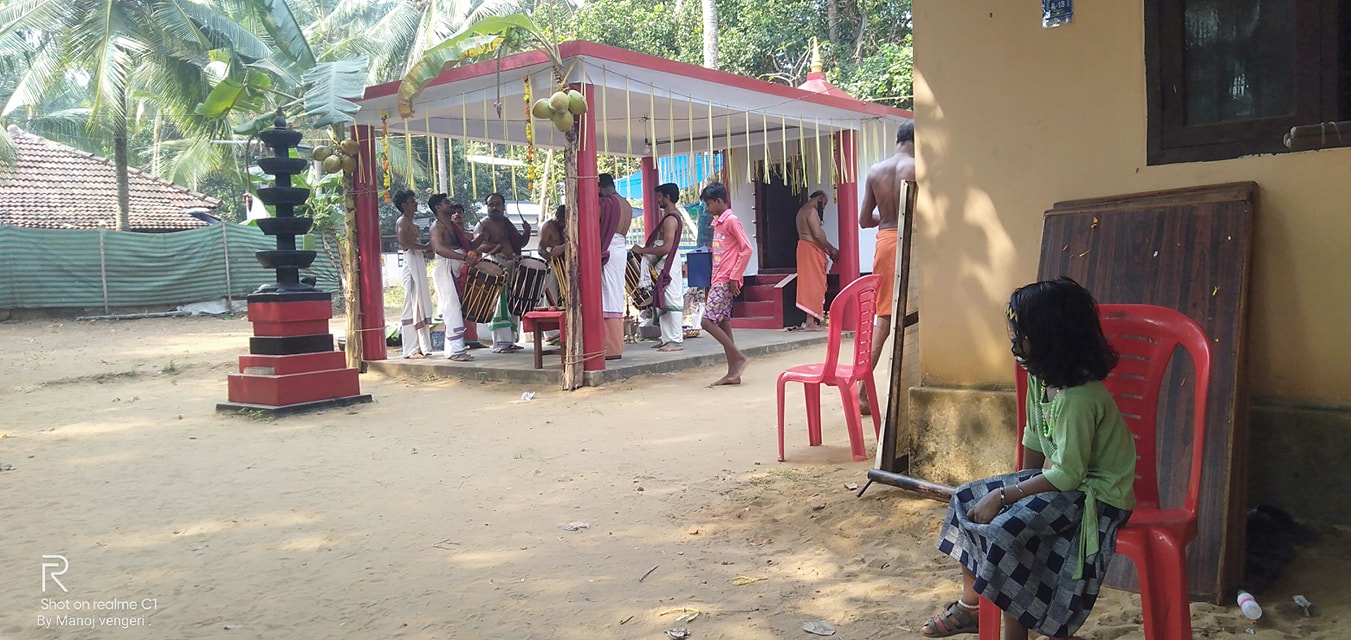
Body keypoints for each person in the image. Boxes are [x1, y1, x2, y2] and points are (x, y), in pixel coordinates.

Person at [918, 278, 1135, 640]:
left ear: (1051, 340)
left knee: (1005, 531)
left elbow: (1068, 475)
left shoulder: (1078, 399)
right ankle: (972, 607)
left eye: (1020, 334)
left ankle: (1016, 634)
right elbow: (1034, 438)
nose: (1014, 342)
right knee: (964, 500)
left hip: (1097, 497)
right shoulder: (1040, 377)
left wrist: (1007, 497)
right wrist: (1017, 490)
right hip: (1064, 483)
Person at [858, 118, 916, 413]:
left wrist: (888, 216)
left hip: (885, 241)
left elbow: (864, 220)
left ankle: (862, 390)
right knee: (918, 313)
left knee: (883, 319)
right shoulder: (919, 168)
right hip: (912, 242)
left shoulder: (875, 170)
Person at [700, 182, 752, 386]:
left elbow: (746, 249)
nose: (707, 208)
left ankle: (738, 357)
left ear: (719, 201)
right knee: (723, 322)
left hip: (724, 279)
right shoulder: (719, 223)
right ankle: (733, 373)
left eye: (708, 204)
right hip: (718, 278)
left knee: (706, 321)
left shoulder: (731, 221)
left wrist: (734, 276)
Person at [631, 183, 687, 352]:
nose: (657, 200)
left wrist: (643, 250)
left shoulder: (671, 220)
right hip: (663, 263)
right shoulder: (669, 217)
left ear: (667, 197)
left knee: (671, 300)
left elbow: (667, 248)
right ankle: (666, 338)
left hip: (668, 263)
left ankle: (676, 341)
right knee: (662, 300)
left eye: (659, 197)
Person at [473, 192, 531, 353]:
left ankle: (510, 340)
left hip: (512, 264)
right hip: (495, 264)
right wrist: (497, 246)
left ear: (503, 206)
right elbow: (477, 246)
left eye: (497, 204)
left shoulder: (507, 223)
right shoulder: (483, 224)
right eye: (491, 204)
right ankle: (502, 343)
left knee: (513, 300)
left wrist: (526, 232)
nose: (494, 207)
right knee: (501, 302)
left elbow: (519, 243)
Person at [428, 193, 474, 362]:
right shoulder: (436, 227)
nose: (450, 204)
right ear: (438, 208)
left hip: (458, 266)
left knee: (457, 307)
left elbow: (467, 242)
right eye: (446, 202)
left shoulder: (454, 225)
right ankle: (456, 351)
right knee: (451, 307)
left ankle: (454, 349)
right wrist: (462, 258)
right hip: (445, 268)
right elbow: (438, 249)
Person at [394, 189, 433, 359]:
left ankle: (420, 347)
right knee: (410, 302)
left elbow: (414, 245)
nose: (416, 204)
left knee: (419, 302)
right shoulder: (402, 222)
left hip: (417, 261)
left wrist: (426, 252)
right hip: (410, 264)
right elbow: (404, 243)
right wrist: (425, 248)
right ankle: (410, 349)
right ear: (404, 205)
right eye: (412, 201)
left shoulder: (413, 224)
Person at [597, 173, 631, 360]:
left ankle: (610, 347)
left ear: (600, 187)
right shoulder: (625, 203)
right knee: (615, 295)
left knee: (607, 296)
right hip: (620, 248)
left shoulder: (607, 204)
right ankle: (614, 345)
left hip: (608, 248)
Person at [794, 190, 838, 331]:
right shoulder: (811, 211)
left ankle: (811, 320)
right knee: (814, 284)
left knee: (810, 283)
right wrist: (831, 249)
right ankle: (810, 322)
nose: (823, 208)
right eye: (824, 204)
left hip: (806, 248)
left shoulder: (802, 211)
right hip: (810, 249)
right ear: (819, 199)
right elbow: (817, 235)